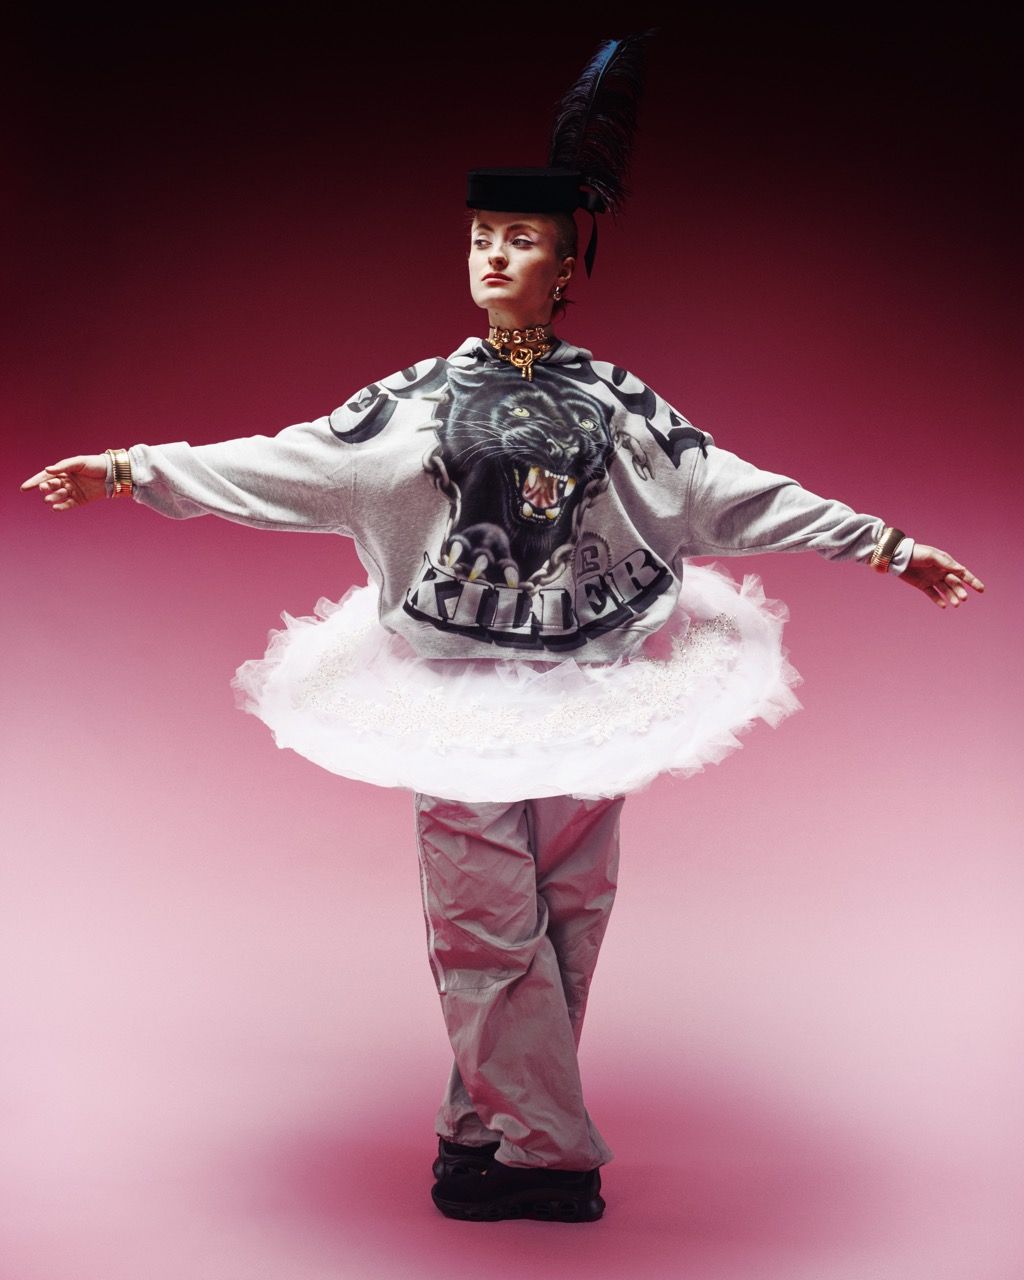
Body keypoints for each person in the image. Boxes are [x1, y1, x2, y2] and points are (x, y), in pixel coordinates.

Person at [19, 41, 984, 1226]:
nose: (492, 253)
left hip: (594, 684)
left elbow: (734, 490)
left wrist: (883, 544)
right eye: (480, 235)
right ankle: (551, 1154)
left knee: (568, 920)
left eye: (519, 239)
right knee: (484, 930)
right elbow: (285, 463)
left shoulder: (621, 405)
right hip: (458, 691)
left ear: (569, 263)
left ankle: (485, 1129)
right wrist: (132, 469)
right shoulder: (414, 400)